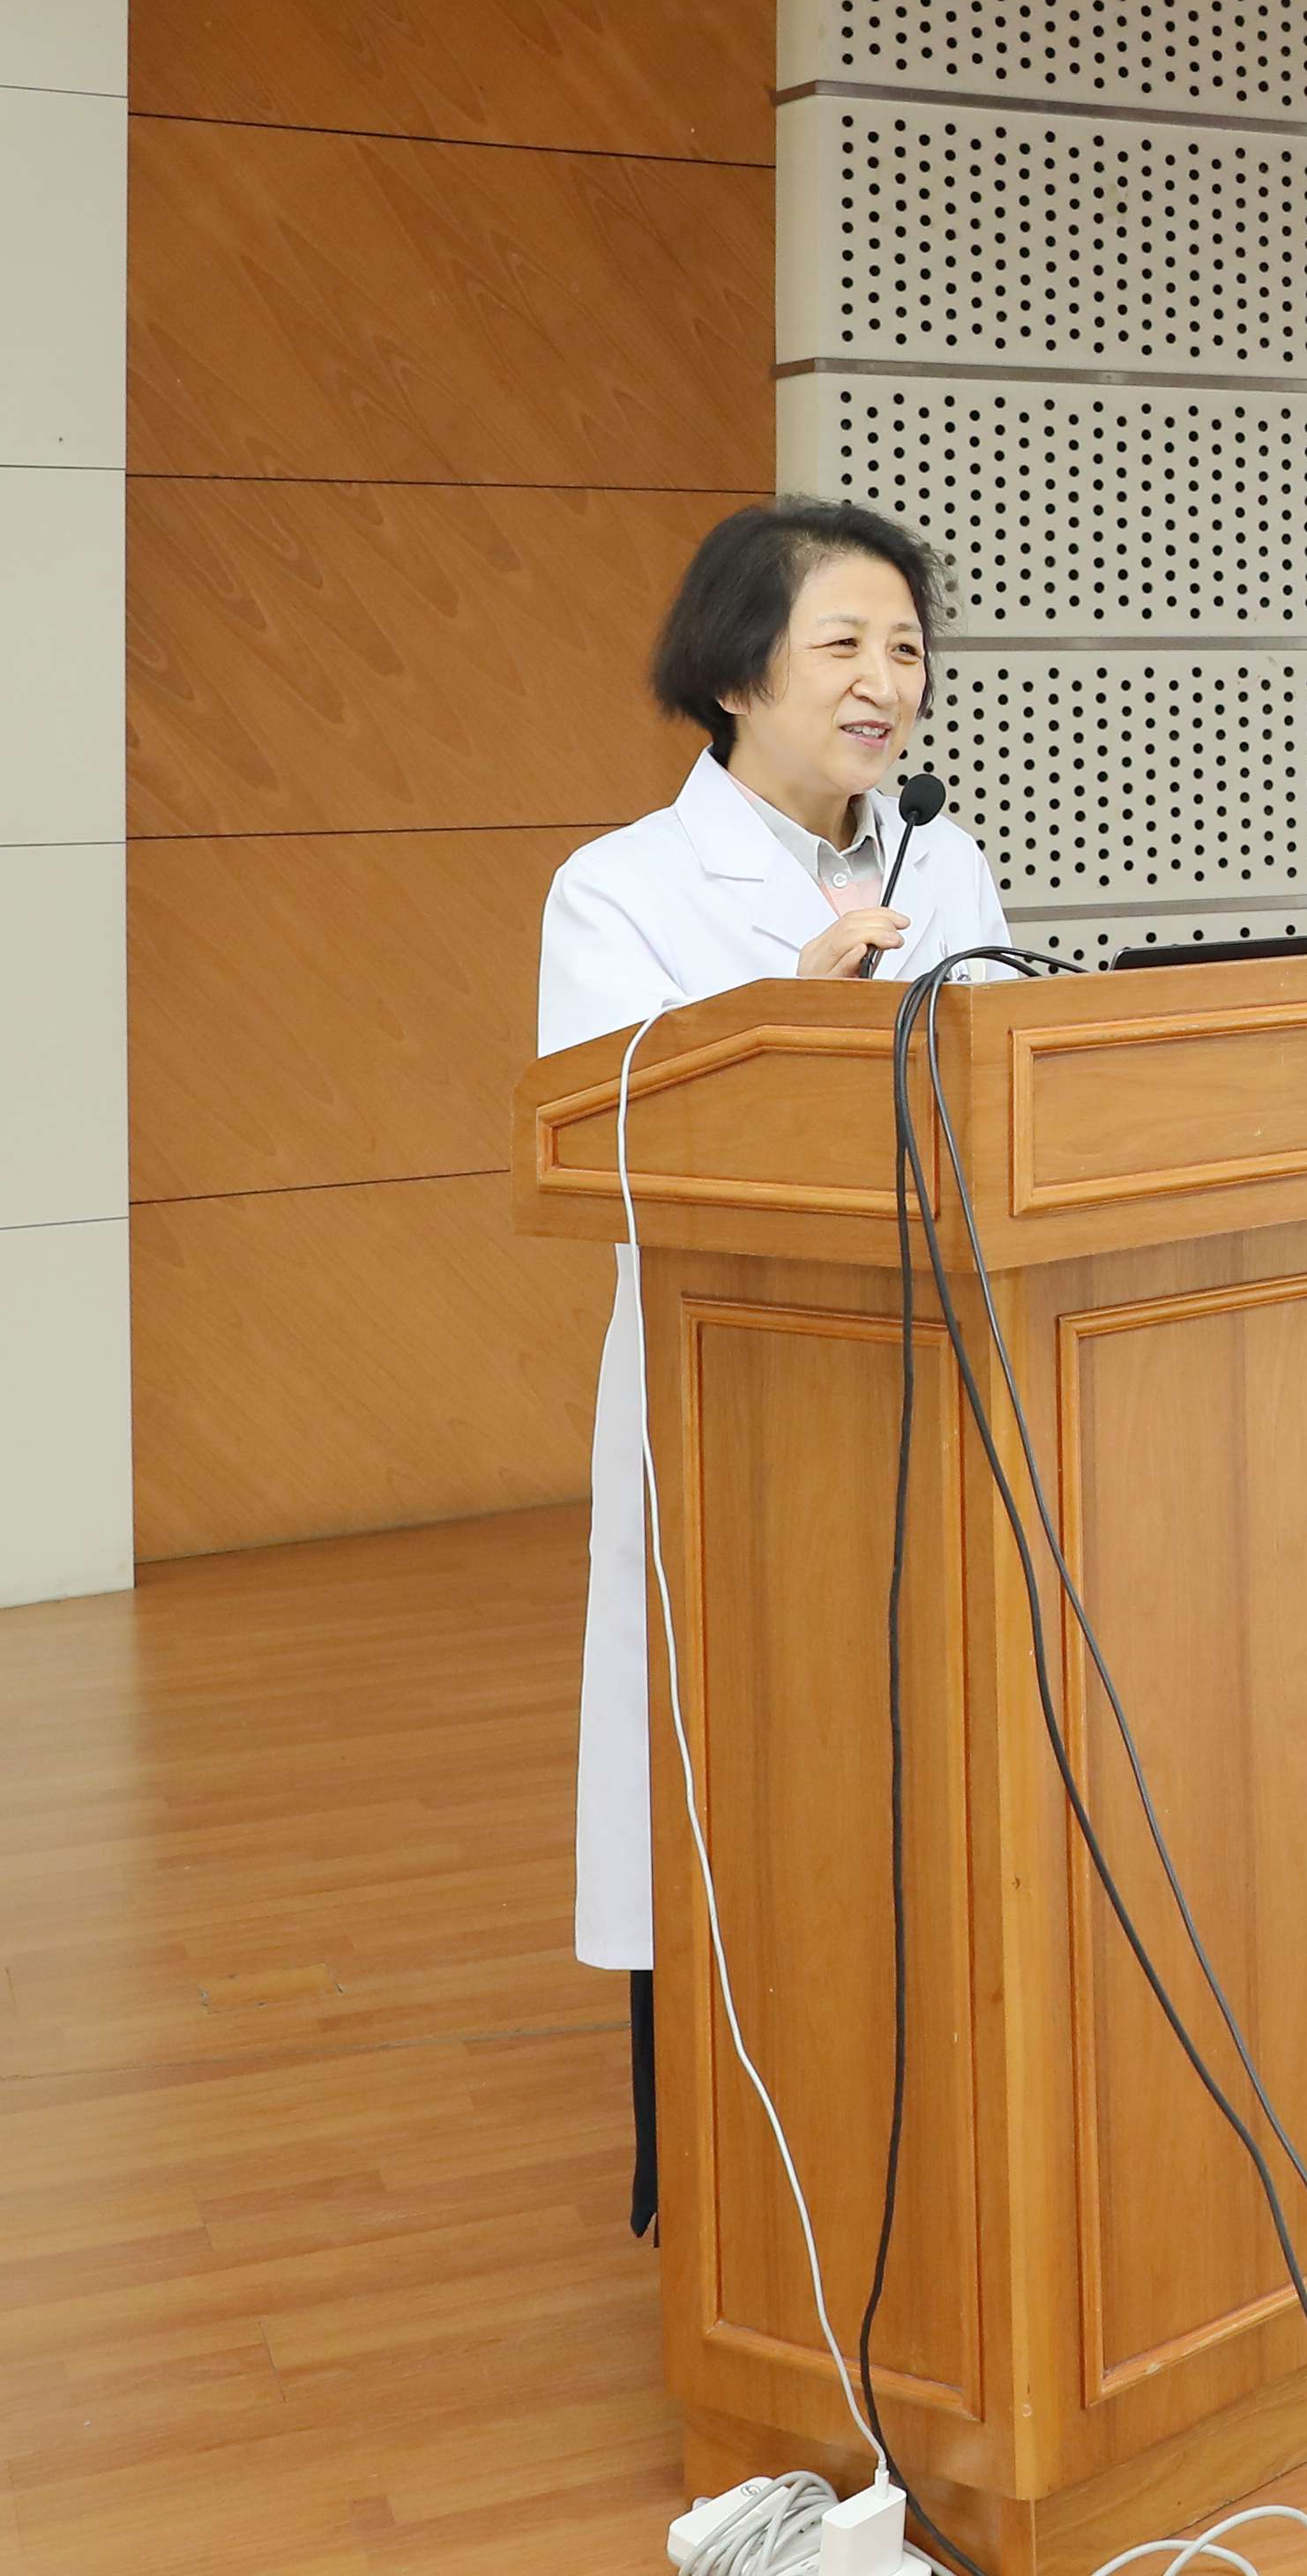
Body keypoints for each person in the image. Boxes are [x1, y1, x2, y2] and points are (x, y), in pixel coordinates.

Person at [535, 496, 1013, 2228]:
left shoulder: (939, 859)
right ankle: (729, 2178)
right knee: (743, 1770)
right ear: (737, 674)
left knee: (931, 1766)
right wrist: (793, 1021)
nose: (888, 681)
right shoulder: (620, 888)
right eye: (845, 645)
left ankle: (941, 2118)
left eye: (908, 647)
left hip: (945, 1379)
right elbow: (610, 1144)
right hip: (742, 1401)